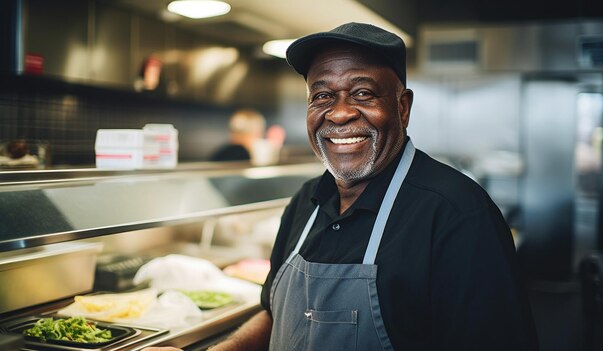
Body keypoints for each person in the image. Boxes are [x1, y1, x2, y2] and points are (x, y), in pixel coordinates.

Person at [143, 22, 538, 351]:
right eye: (323, 95)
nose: (341, 112)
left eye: (363, 93)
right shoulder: (306, 202)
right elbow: (274, 314)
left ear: (402, 107)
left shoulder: (457, 214)